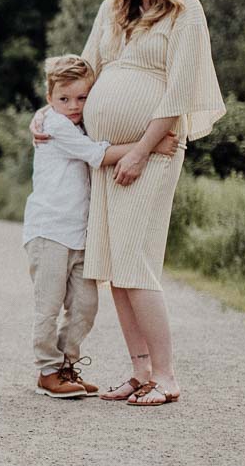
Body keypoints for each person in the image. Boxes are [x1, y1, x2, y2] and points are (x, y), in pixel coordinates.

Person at [74, 0, 224, 406]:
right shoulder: (112, 12)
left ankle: (167, 376)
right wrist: (48, 114)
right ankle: (139, 373)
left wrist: (140, 150)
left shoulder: (186, 13)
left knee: (137, 263)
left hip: (151, 153)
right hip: (111, 158)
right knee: (114, 267)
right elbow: (86, 71)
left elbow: (179, 90)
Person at [22, 54, 178, 398]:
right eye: (64, 99)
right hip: (48, 231)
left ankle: (66, 365)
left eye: (82, 98)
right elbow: (95, 154)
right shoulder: (55, 125)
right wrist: (149, 148)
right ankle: (47, 370)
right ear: (49, 99)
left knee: (85, 305)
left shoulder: (73, 122)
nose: (74, 106)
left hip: (78, 234)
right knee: (48, 305)